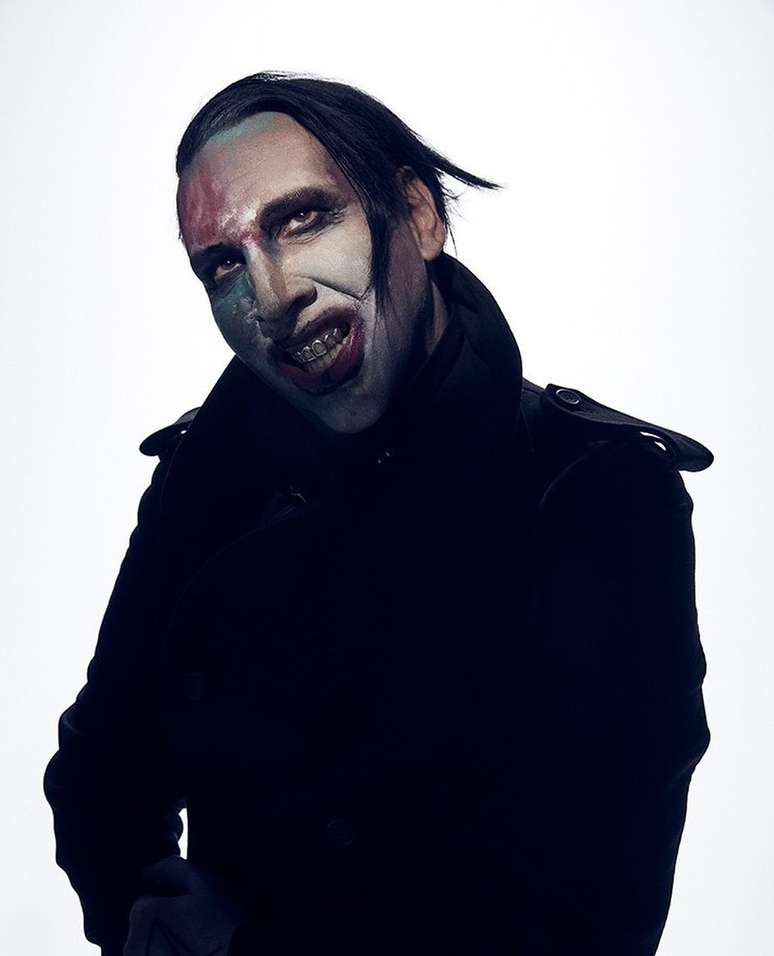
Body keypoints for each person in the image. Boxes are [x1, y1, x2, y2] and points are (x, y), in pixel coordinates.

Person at [44, 71, 714, 956]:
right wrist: (147, 920)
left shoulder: (597, 492)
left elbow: (589, 923)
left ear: (420, 216)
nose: (272, 294)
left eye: (301, 219)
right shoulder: (206, 480)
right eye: (224, 265)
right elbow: (100, 772)